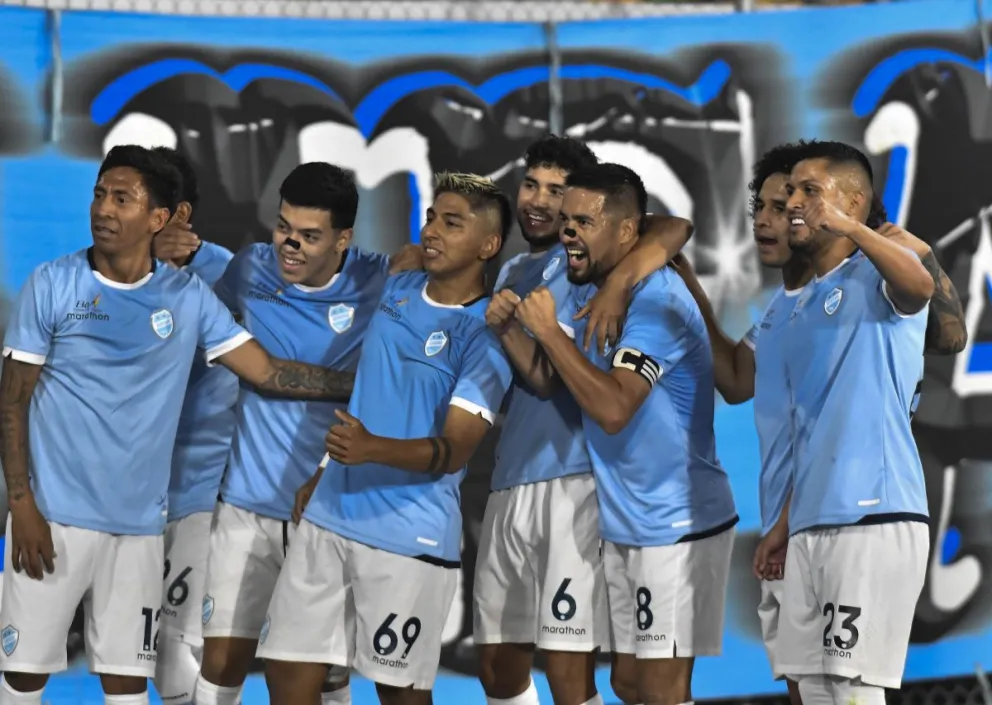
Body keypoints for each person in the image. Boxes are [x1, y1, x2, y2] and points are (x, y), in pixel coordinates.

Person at [0, 145, 379, 705]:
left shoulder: (189, 297)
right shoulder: (52, 284)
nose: (103, 209)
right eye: (100, 194)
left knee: (130, 685)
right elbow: (12, 401)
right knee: (23, 676)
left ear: (160, 218)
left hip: (141, 531)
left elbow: (269, 373)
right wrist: (22, 504)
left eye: (121, 199)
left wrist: (368, 389)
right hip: (52, 521)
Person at [258, 173, 514, 705]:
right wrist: (324, 473)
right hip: (330, 515)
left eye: (452, 222)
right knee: (287, 674)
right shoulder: (396, 287)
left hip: (409, 538)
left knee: (399, 695)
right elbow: (369, 398)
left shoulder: (485, 338)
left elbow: (453, 452)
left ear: (488, 245)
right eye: (431, 218)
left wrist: (373, 449)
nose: (433, 232)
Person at [490, 163, 737, 705]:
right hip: (630, 523)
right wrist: (517, 331)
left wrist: (551, 332)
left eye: (584, 221)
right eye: (566, 221)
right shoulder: (602, 290)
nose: (567, 231)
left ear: (628, 233)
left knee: (659, 689)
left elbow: (614, 409)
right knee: (628, 683)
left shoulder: (655, 302)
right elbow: (558, 381)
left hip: (678, 522)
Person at [193, 162, 419, 705]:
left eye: (309, 236)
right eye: (283, 227)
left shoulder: (382, 280)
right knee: (221, 661)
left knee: (324, 677)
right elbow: (226, 346)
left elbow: (398, 382)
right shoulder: (249, 270)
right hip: (247, 502)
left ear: (344, 238)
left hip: (329, 511)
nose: (289, 246)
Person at [759, 140, 933, 705]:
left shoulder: (879, 271)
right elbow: (816, 426)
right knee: (815, 692)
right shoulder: (802, 303)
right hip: (811, 522)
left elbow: (921, 285)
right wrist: (784, 522)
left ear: (854, 202)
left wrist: (859, 231)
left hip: (874, 516)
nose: (794, 204)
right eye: (791, 193)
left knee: (855, 694)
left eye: (812, 191)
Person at [145, 148, 240, 705]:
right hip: (123, 496)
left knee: (180, 638)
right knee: (143, 644)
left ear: (176, 216)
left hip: (198, 488)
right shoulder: (93, 277)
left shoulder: (223, 273)